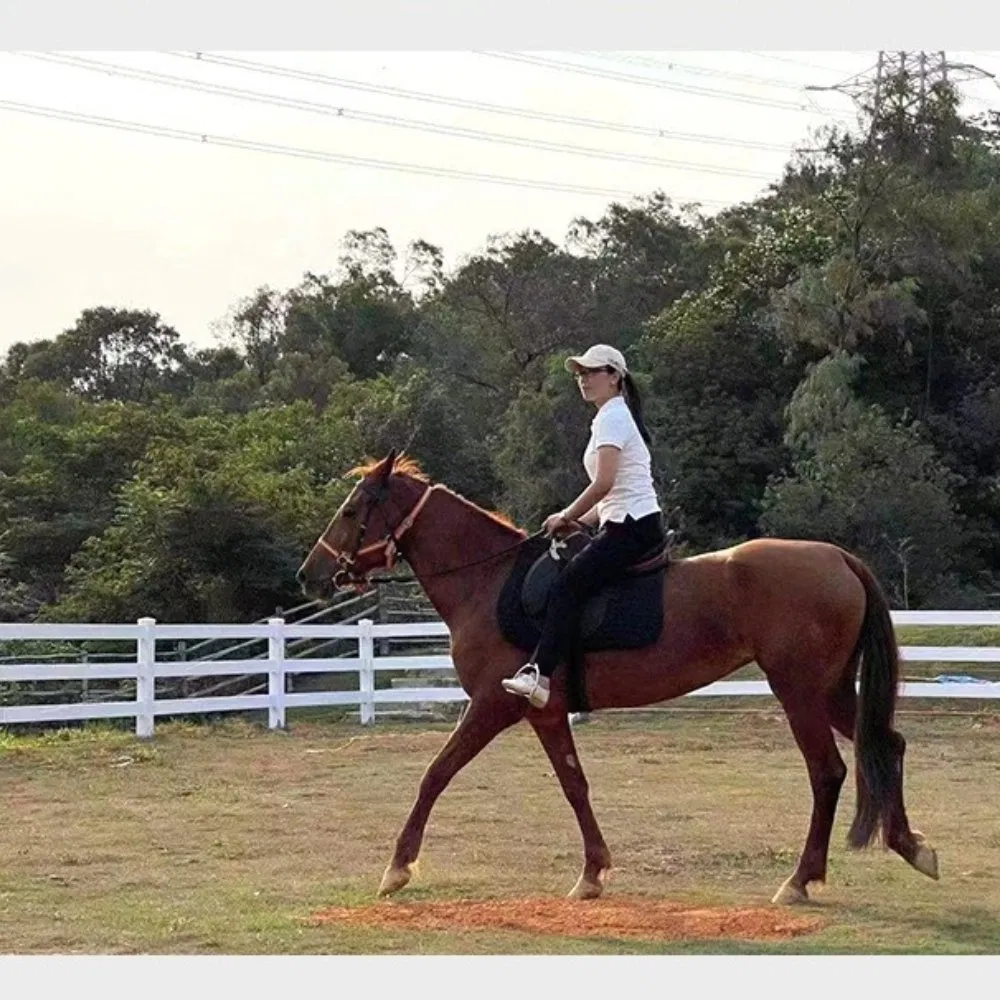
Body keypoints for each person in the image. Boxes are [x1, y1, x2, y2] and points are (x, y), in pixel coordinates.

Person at [501, 343, 664, 709]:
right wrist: (575, 520)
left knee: (567, 587)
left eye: (591, 372)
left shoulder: (613, 417)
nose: (583, 380)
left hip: (632, 526)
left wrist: (566, 514)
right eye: (580, 374)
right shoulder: (611, 416)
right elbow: (609, 495)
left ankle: (539, 675)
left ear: (615, 377)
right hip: (624, 520)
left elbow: (603, 483)